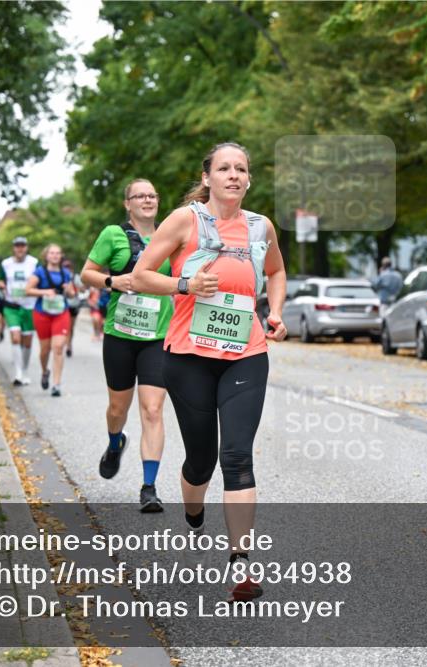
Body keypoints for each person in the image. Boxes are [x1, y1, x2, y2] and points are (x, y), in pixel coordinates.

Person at [132, 142, 287, 601]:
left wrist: (274, 311)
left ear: (249, 179)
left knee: (237, 456)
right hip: (188, 357)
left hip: (245, 353)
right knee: (201, 459)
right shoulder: (184, 221)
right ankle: (194, 515)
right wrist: (185, 284)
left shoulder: (261, 226)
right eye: (225, 168)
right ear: (208, 178)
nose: (234, 175)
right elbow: (142, 276)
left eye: (241, 169)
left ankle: (241, 564)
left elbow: (276, 271)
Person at [81, 178, 173, 512]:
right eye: (140, 196)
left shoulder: (171, 236)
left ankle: (149, 487)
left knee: (152, 409)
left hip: (157, 336)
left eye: (152, 195)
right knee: (118, 409)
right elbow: (86, 273)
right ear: (128, 203)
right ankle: (114, 441)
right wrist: (112, 280)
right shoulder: (112, 235)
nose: (147, 200)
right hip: (120, 336)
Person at [26, 244, 76, 397]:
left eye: (58, 253)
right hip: (42, 314)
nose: (55, 256)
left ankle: (56, 384)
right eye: (52, 253)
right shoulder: (39, 272)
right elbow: (27, 290)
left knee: (58, 347)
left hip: (61, 313)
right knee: (45, 350)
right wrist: (44, 292)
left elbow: (73, 294)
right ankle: (44, 371)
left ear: (61, 256)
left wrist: (68, 290)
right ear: (46, 256)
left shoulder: (66, 273)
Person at [0, 236, 39, 386]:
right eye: (17, 246)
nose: (20, 248)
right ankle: (18, 373)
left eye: (22, 246)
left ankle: (25, 370)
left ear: (26, 247)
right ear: (13, 248)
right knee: (15, 337)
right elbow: (0, 279)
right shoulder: (6, 264)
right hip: (11, 306)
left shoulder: (34, 263)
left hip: (29, 306)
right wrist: (1, 285)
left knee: (27, 342)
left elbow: (40, 280)